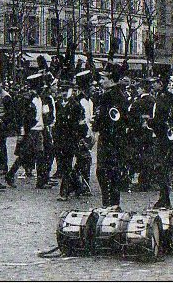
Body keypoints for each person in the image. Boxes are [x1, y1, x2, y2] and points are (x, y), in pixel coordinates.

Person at [93, 72, 129, 207]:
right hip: (118, 140)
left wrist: (96, 124)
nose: (100, 81)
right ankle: (114, 204)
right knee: (114, 173)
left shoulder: (107, 96)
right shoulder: (122, 96)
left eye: (103, 78)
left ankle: (107, 205)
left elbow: (102, 120)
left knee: (103, 172)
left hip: (107, 140)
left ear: (111, 80)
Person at [54, 79, 86, 200]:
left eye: (65, 90)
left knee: (67, 166)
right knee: (65, 165)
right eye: (61, 90)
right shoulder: (58, 104)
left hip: (71, 139)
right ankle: (78, 187)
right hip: (60, 139)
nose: (62, 93)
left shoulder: (76, 105)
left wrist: (80, 138)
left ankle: (64, 193)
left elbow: (81, 124)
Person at [149, 75, 173, 208]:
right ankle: (164, 197)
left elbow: (160, 120)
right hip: (168, 135)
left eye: (154, 83)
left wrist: (149, 122)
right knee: (164, 167)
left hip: (161, 137)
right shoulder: (170, 96)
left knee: (161, 167)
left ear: (161, 84)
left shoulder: (162, 98)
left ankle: (164, 198)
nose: (152, 85)